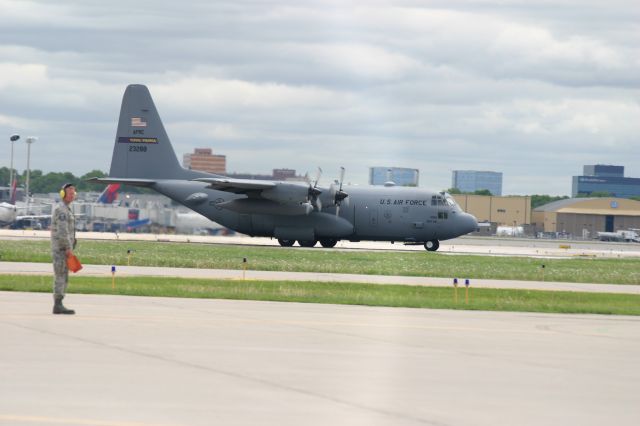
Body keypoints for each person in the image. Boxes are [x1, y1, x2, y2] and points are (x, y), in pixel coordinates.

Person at [50, 183, 77, 314]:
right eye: (70, 193)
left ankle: (59, 302)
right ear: (63, 194)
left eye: (74, 193)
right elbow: (62, 231)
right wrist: (67, 247)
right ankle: (57, 304)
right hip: (61, 249)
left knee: (64, 275)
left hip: (65, 248)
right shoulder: (61, 210)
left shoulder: (67, 209)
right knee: (60, 275)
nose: (72, 195)